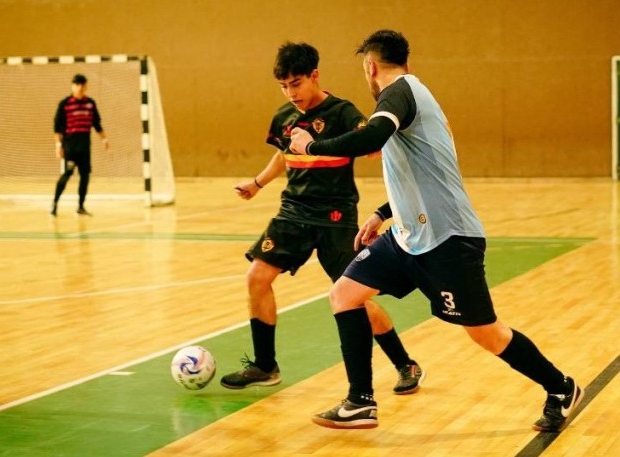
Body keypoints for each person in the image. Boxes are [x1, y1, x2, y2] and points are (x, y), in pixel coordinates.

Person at [290, 30, 582, 431]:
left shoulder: (399, 92)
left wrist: (310, 147)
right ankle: (360, 401)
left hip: (448, 239)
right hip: (408, 237)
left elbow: (372, 137)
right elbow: (421, 174)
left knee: (485, 333)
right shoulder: (411, 99)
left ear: (370, 67)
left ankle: (561, 387)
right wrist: (381, 213)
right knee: (344, 293)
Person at [220, 42, 425, 396]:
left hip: (335, 217)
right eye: (284, 86)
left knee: (353, 297)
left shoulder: (343, 112)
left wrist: (319, 142)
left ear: (315, 75)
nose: (291, 93)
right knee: (257, 276)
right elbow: (283, 156)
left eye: (296, 83)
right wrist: (257, 183)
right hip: (293, 213)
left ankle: (404, 363)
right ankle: (265, 365)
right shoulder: (284, 116)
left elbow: (373, 146)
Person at [51, 73, 109, 216]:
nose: (80, 88)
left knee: (85, 176)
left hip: (85, 147)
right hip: (70, 146)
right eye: (77, 85)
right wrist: (58, 146)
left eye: (83, 85)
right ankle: (55, 203)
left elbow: (96, 124)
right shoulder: (64, 104)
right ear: (73, 86)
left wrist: (104, 139)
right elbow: (57, 127)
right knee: (67, 174)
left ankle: (81, 206)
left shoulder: (90, 103)